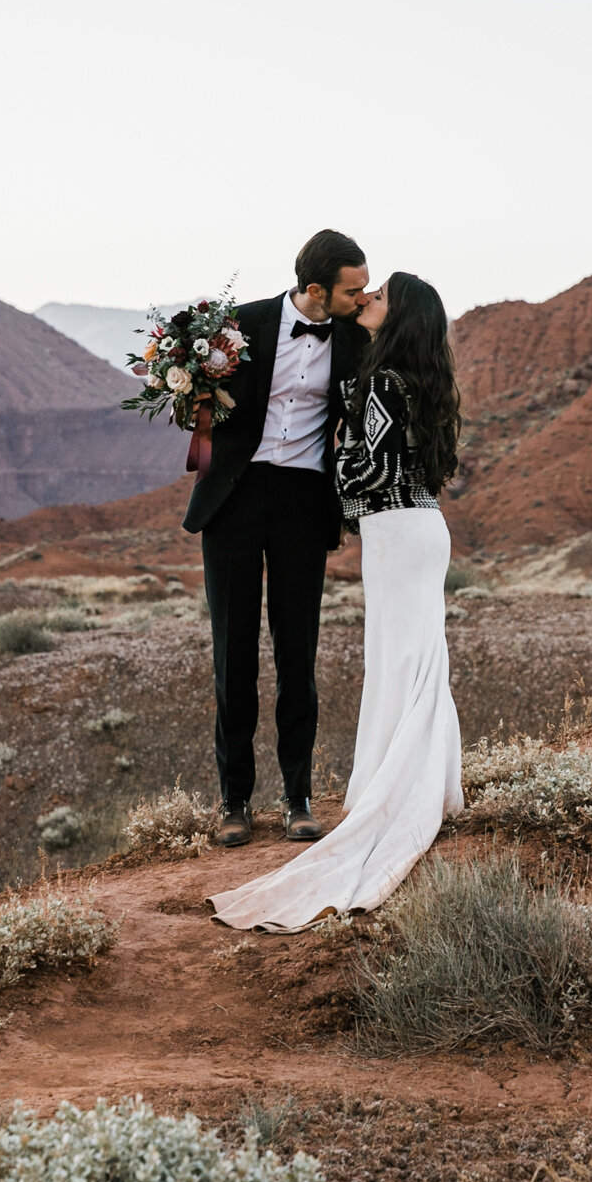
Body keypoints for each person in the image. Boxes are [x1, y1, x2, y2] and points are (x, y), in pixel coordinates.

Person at [210, 270, 464, 932]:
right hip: (420, 526)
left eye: (379, 297)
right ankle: (423, 786)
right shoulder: (421, 376)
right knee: (417, 662)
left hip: (394, 531)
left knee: (396, 664)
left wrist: (330, 460)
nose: (368, 301)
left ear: (400, 314)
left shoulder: (381, 379)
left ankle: (388, 794)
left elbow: (370, 465)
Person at [185, 230, 371, 848]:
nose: (361, 296)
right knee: (233, 657)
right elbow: (198, 405)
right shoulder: (241, 326)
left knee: (299, 654)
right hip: (235, 498)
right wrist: (190, 397)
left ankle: (299, 797)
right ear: (315, 289)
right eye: (353, 289)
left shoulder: (355, 339)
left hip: (301, 500)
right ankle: (234, 801)